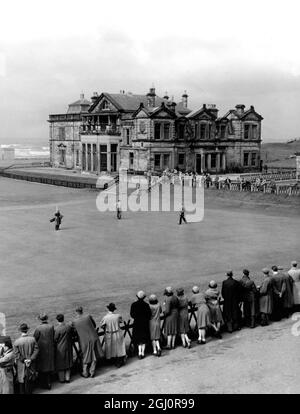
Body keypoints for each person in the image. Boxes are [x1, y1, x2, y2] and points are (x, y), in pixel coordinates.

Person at [72, 307, 103, 378]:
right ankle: (92, 372)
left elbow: (74, 331)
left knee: (85, 355)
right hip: (93, 337)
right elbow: (94, 325)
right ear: (82, 311)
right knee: (94, 354)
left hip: (84, 340)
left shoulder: (74, 321)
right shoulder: (88, 316)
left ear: (76, 312)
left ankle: (85, 372)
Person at [13, 323, 39, 394]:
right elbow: (36, 350)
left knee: (21, 379)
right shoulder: (32, 339)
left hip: (21, 364)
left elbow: (16, 354)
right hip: (31, 362)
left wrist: (24, 360)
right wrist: (30, 359)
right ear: (27, 330)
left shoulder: (17, 342)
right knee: (30, 378)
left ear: (20, 331)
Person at [100, 303, 126, 368]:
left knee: (111, 347)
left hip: (109, 333)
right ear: (114, 309)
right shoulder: (117, 316)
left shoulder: (105, 317)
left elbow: (102, 326)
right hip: (117, 332)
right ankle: (119, 360)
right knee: (119, 347)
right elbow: (121, 321)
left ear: (108, 309)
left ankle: (113, 360)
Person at [33, 313, 55, 390]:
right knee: (48, 365)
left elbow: (34, 338)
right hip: (50, 348)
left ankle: (44, 384)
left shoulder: (38, 328)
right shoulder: (51, 326)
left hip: (41, 349)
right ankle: (48, 383)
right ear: (46, 318)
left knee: (41, 367)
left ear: (40, 319)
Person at [130, 291, 151, 359]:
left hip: (137, 323)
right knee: (144, 338)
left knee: (138, 338)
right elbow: (149, 315)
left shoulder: (134, 304)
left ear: (137, 296)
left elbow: (132, 315)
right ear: (144, 297)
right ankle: (142, 352)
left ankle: (139, 352)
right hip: (144, 323)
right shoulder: (146, 305)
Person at [54, 314, 73, 384]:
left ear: (57, 320)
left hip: (60, 347)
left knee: (60, 363)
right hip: (68, 346)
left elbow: (55, 339)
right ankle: (67, 378)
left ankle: (62, 379)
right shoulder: (68, 326)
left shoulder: (57, 329)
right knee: (68, 361)